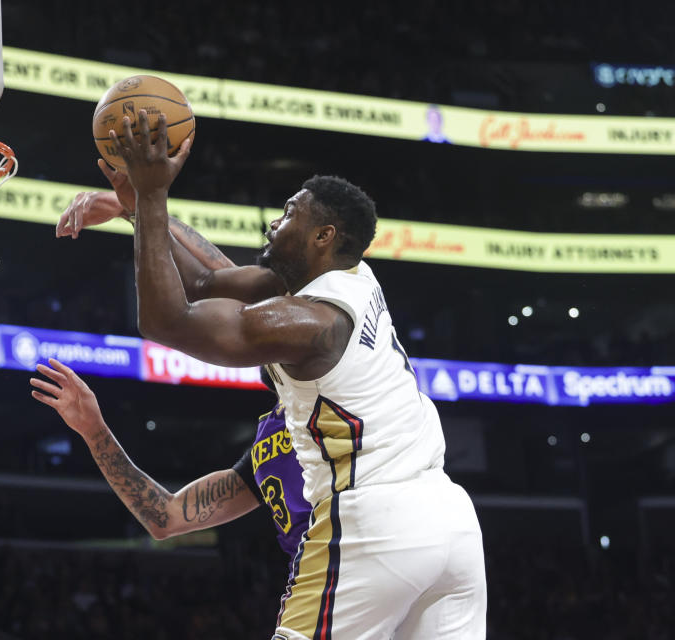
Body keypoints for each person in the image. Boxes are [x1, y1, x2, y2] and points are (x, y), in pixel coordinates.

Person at [93, 111, 485, 640]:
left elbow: (168, 321)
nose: (274, 223)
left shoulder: (311, 323)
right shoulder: (352, 277)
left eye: (288, 214)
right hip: (452, 524)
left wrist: (153, 195)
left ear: (323, 235)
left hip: (374, 520)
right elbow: (212, 279)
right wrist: (138, 207)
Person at [30, 359, 311, 560]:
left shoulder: (343, 401)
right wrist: (93, 430)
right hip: (312, 583)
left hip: (347, 572)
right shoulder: (271, 438)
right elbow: (165, 516)